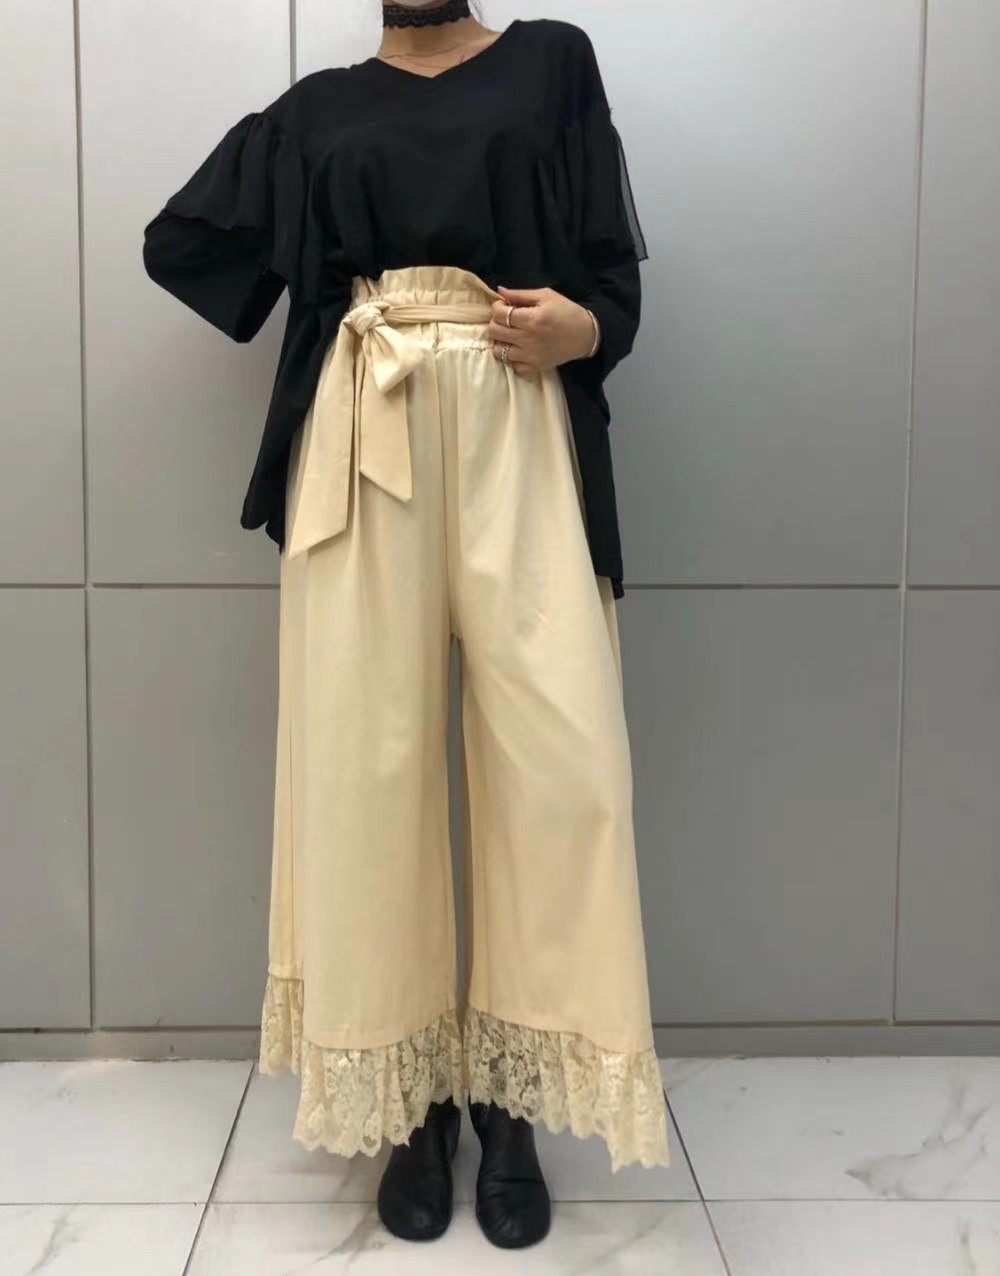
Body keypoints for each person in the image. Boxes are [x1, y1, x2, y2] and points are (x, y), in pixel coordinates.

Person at [142, 0, 670, 1250]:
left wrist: (587, 327)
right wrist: (332, 306)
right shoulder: (320, 111)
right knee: (364, 768)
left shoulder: (550, 60)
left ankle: (515, 1094)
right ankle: (414, 1096)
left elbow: (609, 267)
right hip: (363, 425)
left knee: (563, 768)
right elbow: (185, 244)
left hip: (518, 421)